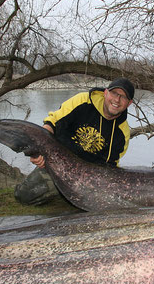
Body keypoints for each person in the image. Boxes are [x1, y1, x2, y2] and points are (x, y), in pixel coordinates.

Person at [14, 77, 135, 205]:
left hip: (89, 178)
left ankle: (66, 195)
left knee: (96, 203)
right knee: (23, 195)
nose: (117, 100)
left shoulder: (122, 132)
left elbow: (110, 166)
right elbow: (52, 123)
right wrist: (38, 151)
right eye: (114, 93)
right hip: (57, 164)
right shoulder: (82, 101)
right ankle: (60, 192)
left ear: (129, 103)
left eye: (123, 97)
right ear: (105, 93)